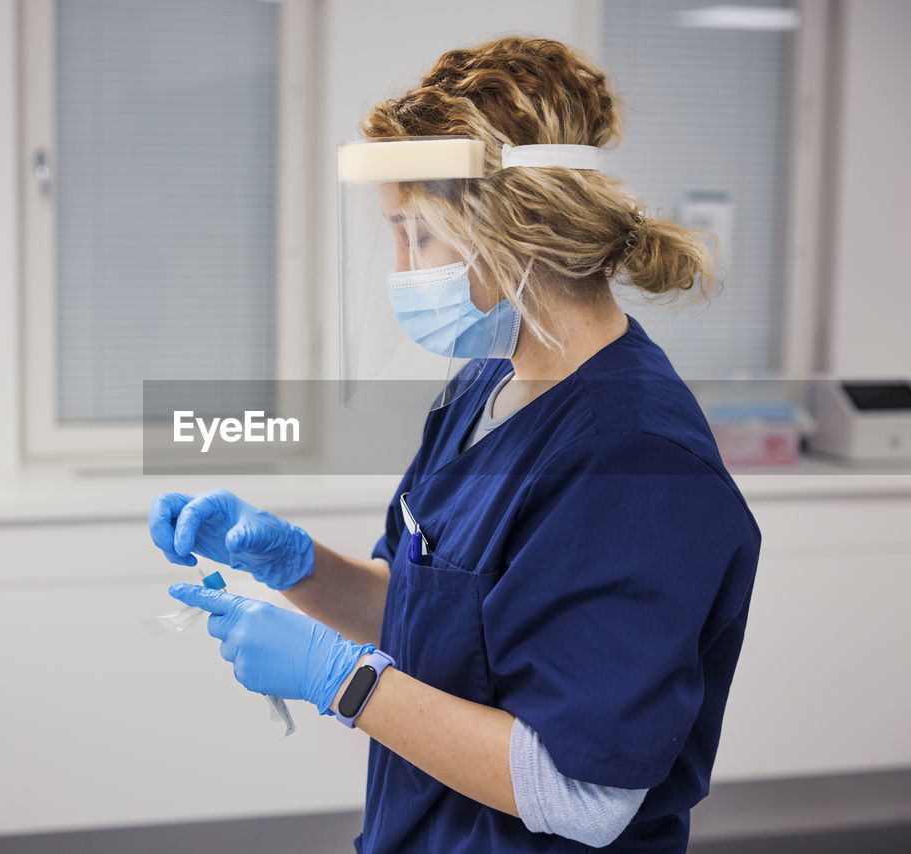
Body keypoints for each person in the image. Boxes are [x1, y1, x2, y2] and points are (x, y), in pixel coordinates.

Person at [150, 36, 760, 853]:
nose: (401, 270)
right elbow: (423, 611)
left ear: (517, 230)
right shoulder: (488, 386)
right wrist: (295, 566)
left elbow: (585, 795)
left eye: (418, 236)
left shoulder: (638, 460)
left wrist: (344, 682)